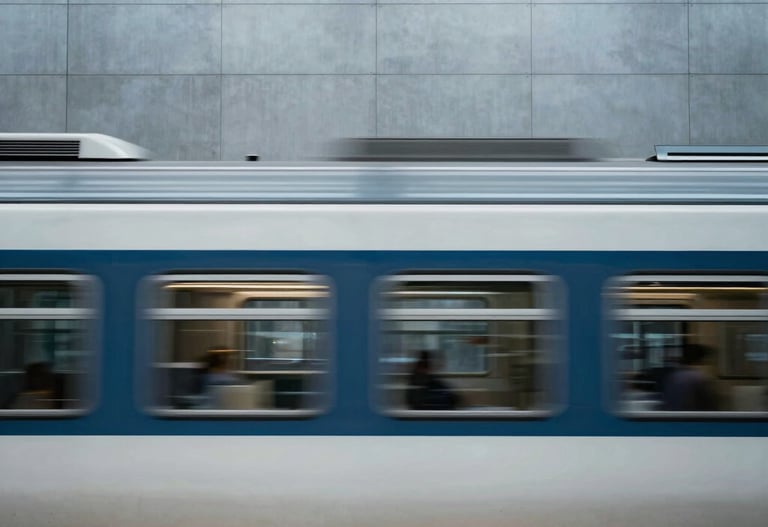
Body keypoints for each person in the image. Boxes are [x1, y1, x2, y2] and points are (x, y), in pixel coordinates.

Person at [661, 343, 719, 411]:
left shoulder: (672, 377)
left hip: (673, 418)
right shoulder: (699, 379)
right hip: (693, 419)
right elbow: (710, 407)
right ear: (701, 359)